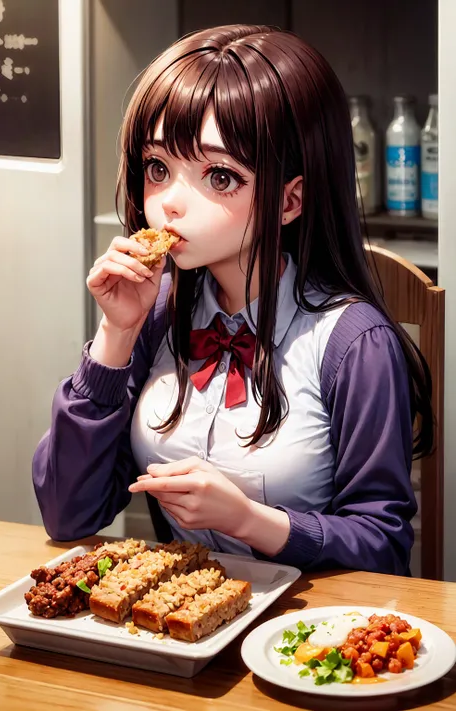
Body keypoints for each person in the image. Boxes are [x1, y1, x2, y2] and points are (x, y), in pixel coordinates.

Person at [33, 24, 433, 575]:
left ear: (290, 200)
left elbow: (384, 547)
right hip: (176, 625)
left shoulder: (354, 342)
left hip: (304, 637)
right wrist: (115, 336)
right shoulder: (157, 312)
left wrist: (251, 520)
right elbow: (66, 514)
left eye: (220, 176)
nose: (171, 204)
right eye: (157, 169)